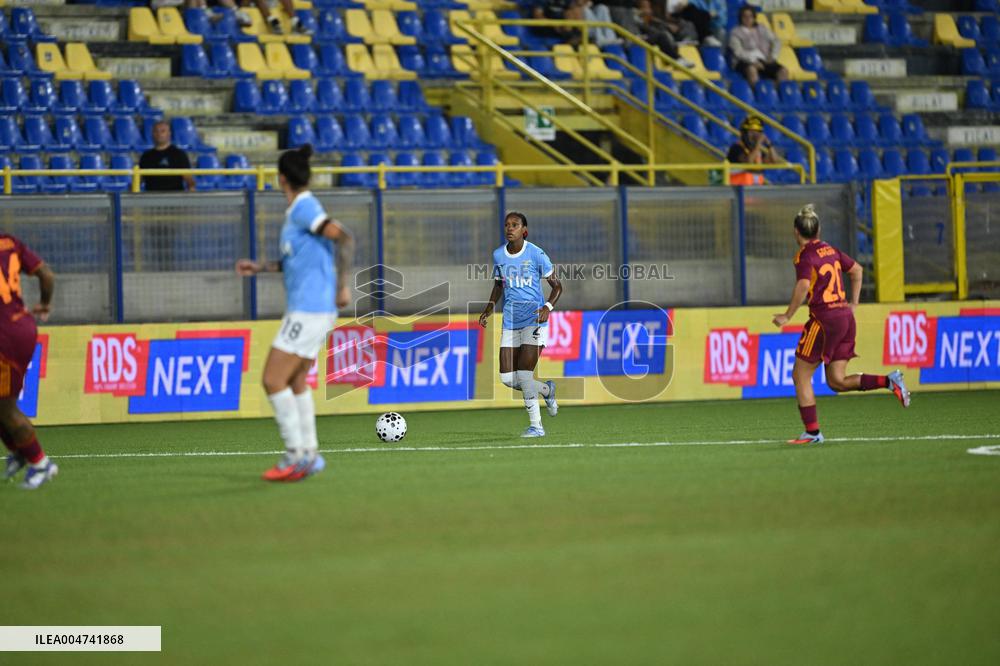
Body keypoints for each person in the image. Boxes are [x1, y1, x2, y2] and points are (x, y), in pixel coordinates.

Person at [235, 145, 354, 481]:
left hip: (310, 309)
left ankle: (295, 455)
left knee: (272, 379)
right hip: (312, 309)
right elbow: (296, 262)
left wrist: (341, 286)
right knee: (296, 380)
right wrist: (259, 267)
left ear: (281, 178)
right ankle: (310, 454)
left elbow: (344, 237)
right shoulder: (298, 212)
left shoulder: (304, 207)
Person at [771, 204, 909, 445]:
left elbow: (803, 286)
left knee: (800, 375)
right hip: (845, 317)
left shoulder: (804, 256)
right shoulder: (830, 249)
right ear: (818, 230)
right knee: (836, 380)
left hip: (824, 320)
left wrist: (787, 315)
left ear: (796, 231)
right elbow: (856, 270)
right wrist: (853, 303)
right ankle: (889, 381)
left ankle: (812, 433)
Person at [479, 212, 563, 438]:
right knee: (507, 379)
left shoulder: (536, 254)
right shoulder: (499, 255)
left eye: (515, 225)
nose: (510, 228)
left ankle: (537, 426)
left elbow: (557, 287)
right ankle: (546, 389)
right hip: (511, 321)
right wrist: (488, 308)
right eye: (507, 224)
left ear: (524, 230)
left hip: (534, 320)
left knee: (524, 376)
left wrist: (547, 307)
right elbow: (499, 285)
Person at [0, 233, 57, 489]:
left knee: (6, 408)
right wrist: (44, 304)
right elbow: (46, 274)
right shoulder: (10, 242)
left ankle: (40, 463)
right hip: (21, 325)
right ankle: (21, 453)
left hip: (4, 335)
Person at [728, 4, 786, 86]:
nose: (748, 19)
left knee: (783, 71)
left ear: (754, 17)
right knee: (752, 70)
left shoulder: (762, 29)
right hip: (744, 60)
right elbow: (738, 52)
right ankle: (757, 93)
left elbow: (776, 41)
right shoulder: (735, 32)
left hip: (764, 59)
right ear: (741, 18)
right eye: (745, 16)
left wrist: (772, 57)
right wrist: (753, 61)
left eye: (750, 16)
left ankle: (773, 92)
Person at [139, 120, 195, 193]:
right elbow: (138, 180)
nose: (159, 134)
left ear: (169, 134)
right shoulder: (146, 156)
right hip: (151, 198)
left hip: (174, 198)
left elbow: (189, 181)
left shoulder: (179, 154)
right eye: (156, 131)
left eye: (163, 131)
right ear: (152, 134)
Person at [726, 115, 780, 185]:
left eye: (757, 132)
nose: (754, 135)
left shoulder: (756, 151)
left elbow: (774, 161)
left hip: (754, 189)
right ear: (744, 133)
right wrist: (759, 143)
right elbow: (748, 163)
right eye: (751, 132)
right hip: (737, 188)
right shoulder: (736, 147)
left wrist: (769, 145)